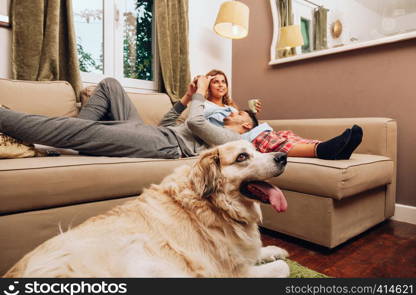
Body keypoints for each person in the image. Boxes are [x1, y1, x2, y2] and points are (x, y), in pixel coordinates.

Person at [0, 76, 256, 159]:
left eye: (239, 113)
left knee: (79, 131)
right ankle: (62, 140)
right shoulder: (216, 126)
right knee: (111, 84)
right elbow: (167, 124)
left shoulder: (231, 139)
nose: (233, 111)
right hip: (156, 133)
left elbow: (194, 122)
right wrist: (188, 98)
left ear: (245, 124)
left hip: (164, 145)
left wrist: (201, 92)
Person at [199, 69, 363, 160]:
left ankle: (334, 147)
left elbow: (244, 123)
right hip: (236, 141)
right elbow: (203, 124)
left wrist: (252, 114)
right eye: (215, 81)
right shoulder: (205, 106)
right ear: (208, 85)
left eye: (223, 81)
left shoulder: (231, 106)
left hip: (251, 133)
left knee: (284, 134)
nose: (221, 85)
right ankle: (322, 150)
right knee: (266, 139)